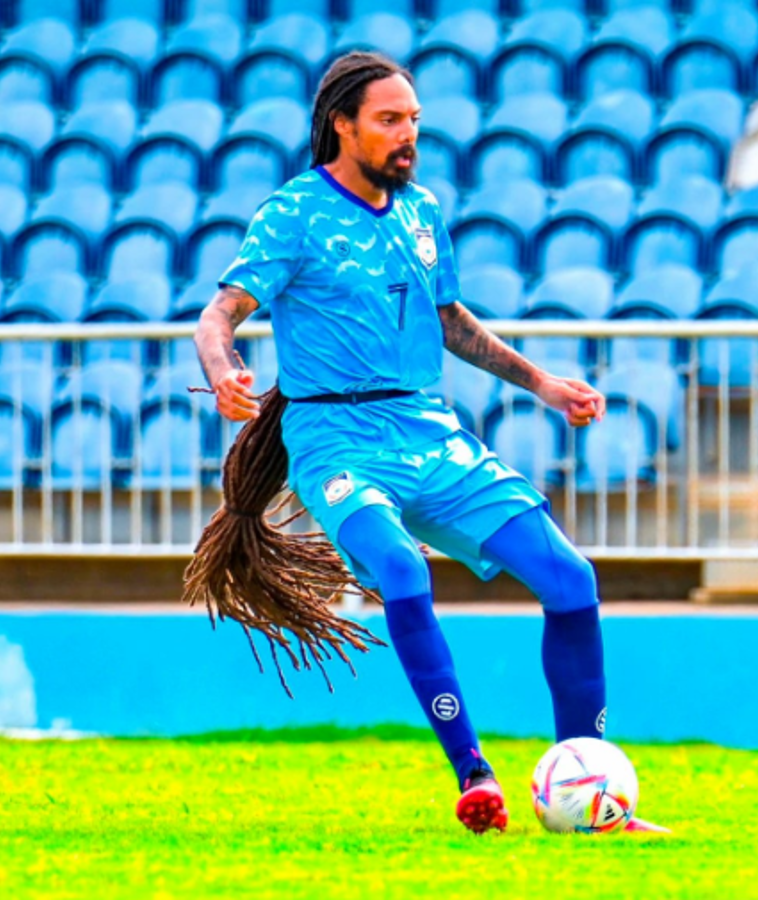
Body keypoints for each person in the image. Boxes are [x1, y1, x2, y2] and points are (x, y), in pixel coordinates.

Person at [190, 51, 664, 835]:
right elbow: (219, 314)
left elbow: (449, 323)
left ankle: (589, 788)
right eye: (389, 121)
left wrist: (542, 384)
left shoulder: (421, 210)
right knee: (404, 572)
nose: (408, 134)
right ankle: (473, 774)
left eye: (413, 119)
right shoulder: (294, 212)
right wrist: (225, 370)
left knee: (571, 580)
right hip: (335, 439)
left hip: (428, 429)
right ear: (341, 124)